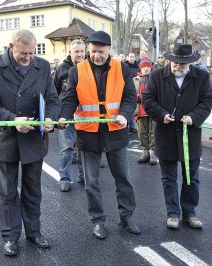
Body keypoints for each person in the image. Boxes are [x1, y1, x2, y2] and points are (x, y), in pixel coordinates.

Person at [0, 29, 60, 256]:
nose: (28, 57)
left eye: (32, 53)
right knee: (7, 192)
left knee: (33, 190)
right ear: (11, 46)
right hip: (7, 138)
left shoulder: (43, 66)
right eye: (23, 53)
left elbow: (52, 99)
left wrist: (50, 119)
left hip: (35, 139)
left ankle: (34, 232)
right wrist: (12, 120)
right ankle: (10, 237)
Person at [58, 30, 140, 240]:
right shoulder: (77, 70)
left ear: (109, 50)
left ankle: (127, 216)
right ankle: (98, 220)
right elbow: (69, 98)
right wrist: (63, 116)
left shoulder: (122, 68)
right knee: (91, 182)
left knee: (123, 178)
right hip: (88, 134)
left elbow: (130, 96)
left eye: (100, 52)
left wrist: (124, 114)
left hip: (115, 132)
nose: (96, 56)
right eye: (93, 51)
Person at [142, 43, 212, 230]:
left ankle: (190, 212)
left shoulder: (202, 77)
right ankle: (173, 213)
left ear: (189, 63)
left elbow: (207, 101)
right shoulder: (157, 76)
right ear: (169, 60)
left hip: (190, 135)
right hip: (166, 135)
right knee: (169, 177)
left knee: (192, 177)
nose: (177, 66)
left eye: (182, 64)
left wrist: (195, 117)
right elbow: (148, 99)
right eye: (174, 62)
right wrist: (161, 115)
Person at [54, 39, 85, 192]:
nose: (79, 54)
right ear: (70, 53)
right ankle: (64, 178)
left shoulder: (89, 67)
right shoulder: (61, 69)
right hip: (66, 114)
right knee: (66, 148)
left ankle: (83, 175)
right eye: (76, 51)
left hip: (85, 113)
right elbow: (54, 92)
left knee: (83, 146)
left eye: (82, 51)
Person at [134, 57, 158, 165]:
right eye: (144, 66)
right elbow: (131, 94)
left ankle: (153, 153)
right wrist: (139, 97)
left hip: (153, 109)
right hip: (140, 110)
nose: (146, 68)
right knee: (141, 132)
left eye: (148, 66)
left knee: (153, 132)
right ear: (141, 68)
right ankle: (145, 152)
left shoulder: (155, 79)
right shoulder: (135, 80)